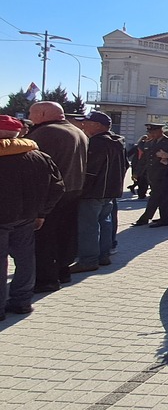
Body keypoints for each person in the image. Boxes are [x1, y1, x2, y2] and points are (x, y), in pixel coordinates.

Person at [0, 115, 64, 318]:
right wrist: (42, 212)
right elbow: (57, 187)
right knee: (26, 259)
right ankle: (22, 302)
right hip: (27, 216)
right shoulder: (39, 156)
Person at [26, 101, 88, 291]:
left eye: (32, 112)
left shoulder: (46, 132)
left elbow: (34, 165)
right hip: (73, 190)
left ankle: (46, 279)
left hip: (50, 194)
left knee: (44, 238)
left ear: (43, 114)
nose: (29, 116)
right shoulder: (77, 130)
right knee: (65, 235)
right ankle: (62, 271)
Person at [73, 111, 128, 272]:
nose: (83, 125)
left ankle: (88, 260)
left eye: (87, 122)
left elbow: (90, 170)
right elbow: (125, 166)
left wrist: (81, 189)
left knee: (89, 226)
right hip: (110, 191)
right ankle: (103, 255)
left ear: (97, 125)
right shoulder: (118, 142)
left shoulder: (96, 143)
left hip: (94, 192)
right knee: (105, 223)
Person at [131, 124, 168, 226]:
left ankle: (145, 218)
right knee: (162, 197)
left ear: (161, 131)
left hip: (165, 175)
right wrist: (137, 173)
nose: (151, 134)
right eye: (150, 132)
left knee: (156, 197)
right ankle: (167, 217)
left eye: (154, 132)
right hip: (152, 175)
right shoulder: (149, 143)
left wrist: (167, 157)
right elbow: (143, 160)